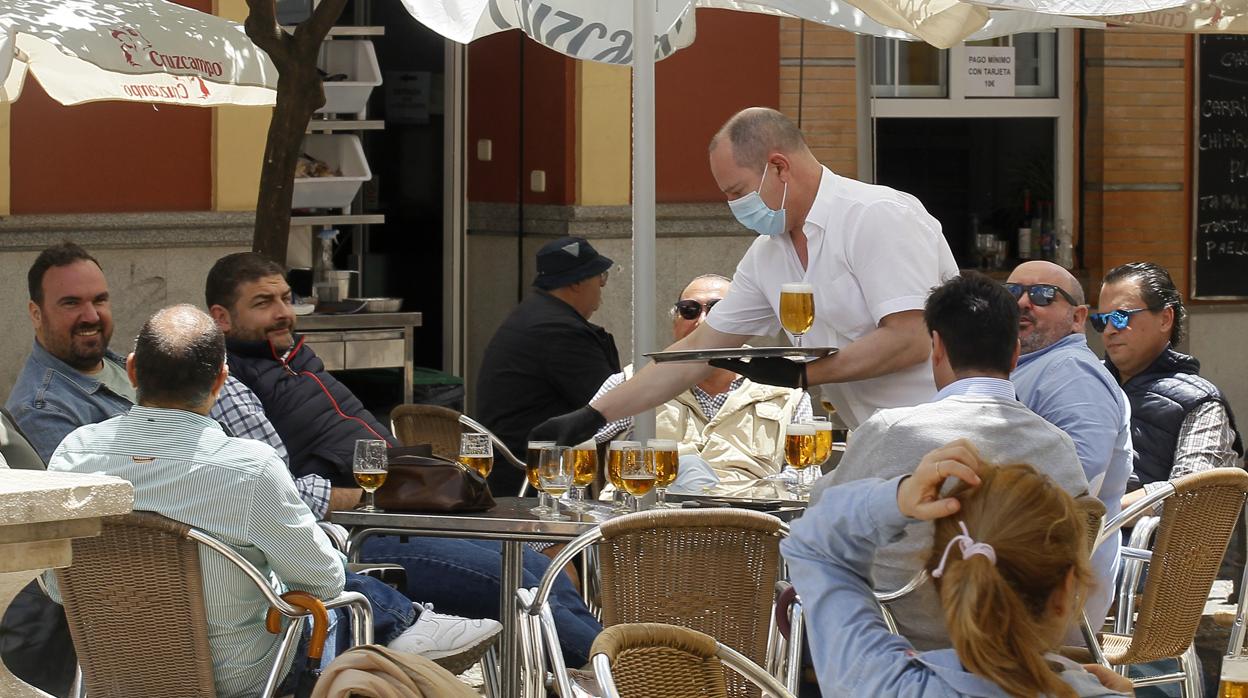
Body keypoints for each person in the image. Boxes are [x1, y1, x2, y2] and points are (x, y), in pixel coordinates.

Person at [42, 306, 497, 697]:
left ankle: (411, 626)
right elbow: (320, 582)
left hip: (115, 672)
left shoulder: (74, 454)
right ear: (222, 379)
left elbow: (54, 583)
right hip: (244, 680)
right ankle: (411, 626)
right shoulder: (247, 468)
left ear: (135, 370)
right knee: (339, 593)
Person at [205, 252, 603, 667]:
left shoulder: (292, 357)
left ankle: (588, 673)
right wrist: (370, 497)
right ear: (222, 317)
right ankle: (620, 674)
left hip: (411, 509)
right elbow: (279, 491)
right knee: (519, 579)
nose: (283, 313)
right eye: (263, 303)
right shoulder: (232, 380)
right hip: (363, 535)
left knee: (540, 563)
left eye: (287, 298)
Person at [531, 107, 958, 448]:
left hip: (942, 433)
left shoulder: (877, 216)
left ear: (779, 167)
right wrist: (595, 415)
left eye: (737, 192)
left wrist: (805, 375)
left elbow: (911, 338)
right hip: (879, 441)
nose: (734, 207)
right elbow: (698, 350)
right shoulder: (768, 254)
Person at [819, 271, 1093, 649]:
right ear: (1015, 352)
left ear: (937, 346)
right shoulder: (1056, 446)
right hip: (1017, 647)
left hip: (897, 643)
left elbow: (824, 519)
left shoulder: (889, 431)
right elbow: (1075, 541)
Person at [784, 440, 1133, 697]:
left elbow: (814, 547)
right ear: (1068, 589)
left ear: (943, 577)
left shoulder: (879, 683)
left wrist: (900, 497)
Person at [1006, 260, 1133, 630]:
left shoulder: (1069, 372)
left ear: (1078, 318)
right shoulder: (1031, 366)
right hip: (1028, 572)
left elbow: (1078, 477)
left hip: (1050, 589)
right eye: (1012, 293)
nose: (1023, 303)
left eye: (1044, 295)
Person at [592, 273, 811, 484]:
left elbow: (804, 474)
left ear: (744, 322)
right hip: (652, 514)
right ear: (675, 322)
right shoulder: (632, 383)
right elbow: (578, 443)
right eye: (689, 310)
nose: (703, 321)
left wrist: (759, 493)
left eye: (719, 310)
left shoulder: (787, 390)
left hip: (745, 516)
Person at [476, 235, 620, 494]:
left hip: (514, 467)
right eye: (599, 276)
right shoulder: (559, 331)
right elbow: (611, 406)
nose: (602, 285)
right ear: (577, 281)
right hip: (538, 477)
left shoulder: (534, 315)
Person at [1095, 262, 1243, 504]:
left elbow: (1191, 492)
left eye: (1121, 318)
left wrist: (1103, 513)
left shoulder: (1201, 402)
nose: (1109, 330)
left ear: (1165, 318)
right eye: (1101, 321)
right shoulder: (1086, 381)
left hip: (1138, 539)